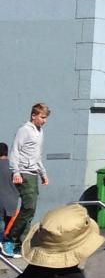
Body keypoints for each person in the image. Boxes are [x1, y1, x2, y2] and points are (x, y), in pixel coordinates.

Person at [8, 101, 50, 255]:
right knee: (29, 208)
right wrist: (16, 172)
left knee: (31, 212)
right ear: (34, 115)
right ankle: (9, 238)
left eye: (46, 118)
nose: (44, 121)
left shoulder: (40, 132)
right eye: (42, 117)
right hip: (23, 173)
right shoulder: (24, 130)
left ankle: (21, 244)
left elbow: (37, 156)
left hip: (33, 173)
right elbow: (15, 151)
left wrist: (43, 174)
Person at [0, 141, 21, 254]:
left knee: (1, 223)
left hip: (0, 201)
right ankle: (7, 245)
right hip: (12, 201)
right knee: (9, 224)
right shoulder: (13, 166)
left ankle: (2, 243)